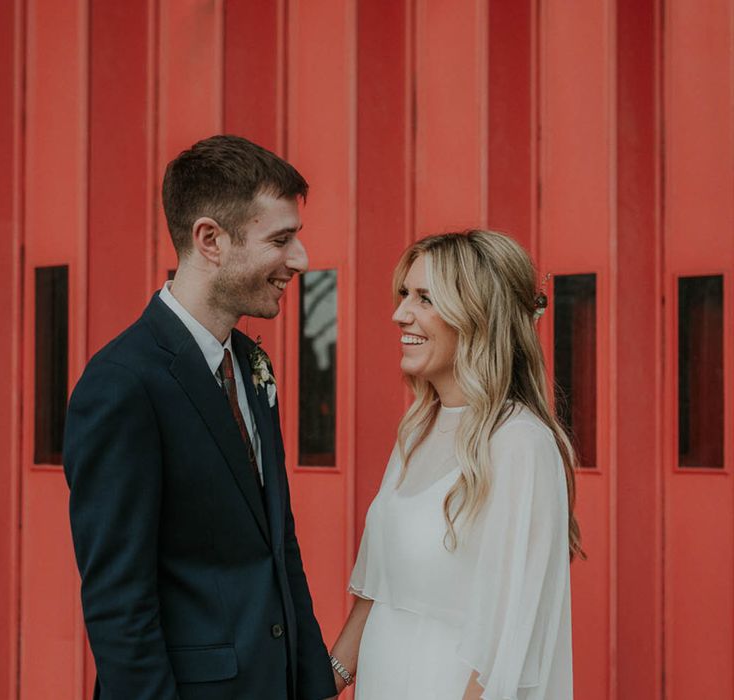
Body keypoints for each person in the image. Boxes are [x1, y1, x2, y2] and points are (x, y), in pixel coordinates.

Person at [63, 135, 337, 700]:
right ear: (210, 239)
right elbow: (119, 601)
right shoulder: (122, 384)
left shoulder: (251, 362)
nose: (301, 261)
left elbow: (277, 546)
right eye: (281, 240)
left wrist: (312, 686)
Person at [328, 231, 583, 700]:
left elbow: (511, 642)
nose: (400, 313)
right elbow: (380, 586)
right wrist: (331, 677)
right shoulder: (416, 430)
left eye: (425, 298)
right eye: (405, 294)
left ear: (478, 317)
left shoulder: (520, 444)